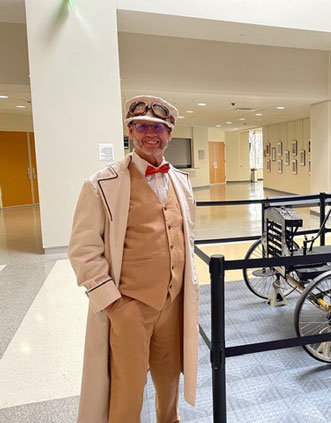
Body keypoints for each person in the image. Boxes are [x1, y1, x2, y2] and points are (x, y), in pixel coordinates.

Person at [69, 95, 199, 423]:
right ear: (130, 131)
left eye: (159, 127)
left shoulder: (181, 183)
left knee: (170, 381)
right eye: (142, 126)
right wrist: (113, 304)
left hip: (172, 304)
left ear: (169, 134)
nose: (150, 134)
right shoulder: (102, 184)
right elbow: (83, 250)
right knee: (127, 389)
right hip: (129, 307)